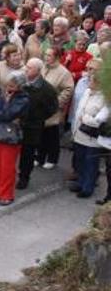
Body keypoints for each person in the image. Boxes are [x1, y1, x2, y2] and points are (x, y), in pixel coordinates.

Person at [0, 73, 30, 206]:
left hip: (11, 137)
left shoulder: (23, 99)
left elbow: (7, 114)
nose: (8, 87)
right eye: (8, 84)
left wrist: (3, 105)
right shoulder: (4, 95)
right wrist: (1, 110)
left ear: (20, 86)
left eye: (12, 85)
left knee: (7, 167)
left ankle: (6, 194)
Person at [19, 59, 58, 190]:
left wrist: (37, 118)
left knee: (27, 154)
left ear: (37, 71)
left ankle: (24, 177)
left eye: (29, 68)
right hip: (17, 124)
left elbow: (52, 108)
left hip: (32, 126)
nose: (25, 69)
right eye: (26, 66)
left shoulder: (47, 89)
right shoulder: (20, 82)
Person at [70, 69, 108, 199]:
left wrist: (85, 119)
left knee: (90, 163)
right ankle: (80, 182)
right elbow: (78, 110)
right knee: (80, 160)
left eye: (91, 80)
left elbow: (100, 120)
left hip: (92, 137)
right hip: (79, 133)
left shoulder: (105, 98)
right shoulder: (87, 92)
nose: (88, 82)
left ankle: (88, 187)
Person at [36, 47, 74, 170]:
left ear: (57, 57)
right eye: (45, 55)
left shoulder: (63, 72)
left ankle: (52, 158)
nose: (46, 58)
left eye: (49, 55)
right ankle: (39, 157)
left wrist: (57, 102)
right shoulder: (43, 68)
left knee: (52, 134)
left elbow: (68, 89)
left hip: (53, 108)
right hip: (40, 107)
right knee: (40, 133)